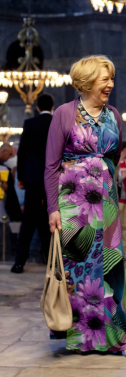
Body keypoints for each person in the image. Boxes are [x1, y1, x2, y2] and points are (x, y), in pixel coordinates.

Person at [44, 55, 126, 358]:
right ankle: (81, 338)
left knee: (110, 269)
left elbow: (112, 158)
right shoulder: (63, 113)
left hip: (108, 204)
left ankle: (119, 338)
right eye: (105, 79)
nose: (110, 84)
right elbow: (50, 165)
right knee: (78, 273)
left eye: (111, 79)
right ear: (86, 82)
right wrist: (52, 209)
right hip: (73, 205)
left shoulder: (113, 114)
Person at [11, 94, 54, 274]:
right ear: (52, 107)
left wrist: (21, 177)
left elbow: (22, 152)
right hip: (52, 178)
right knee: (49, 219)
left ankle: (19, 263)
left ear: (37, 107)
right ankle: (52, 262)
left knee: (28, 221)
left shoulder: (30, 123)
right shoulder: (57, 123)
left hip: (33, 177)